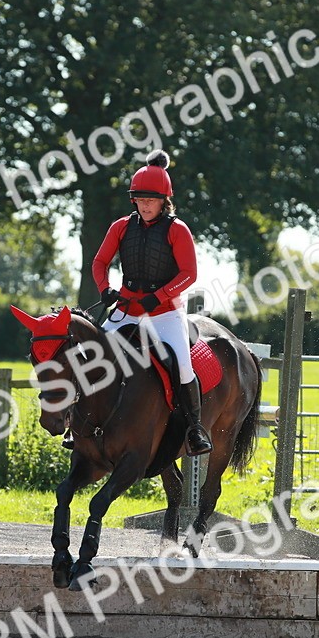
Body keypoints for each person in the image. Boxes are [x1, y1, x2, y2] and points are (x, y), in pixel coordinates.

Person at [88, 149, 212, 456]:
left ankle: (195, 429)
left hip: (166, 313)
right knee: (92, 359)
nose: (144, 205)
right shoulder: (120, 227)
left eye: (151, 199)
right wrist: (105, 289)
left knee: (183, 366)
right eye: (140, 199)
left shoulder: (177, 229)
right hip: (127, 310)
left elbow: (189, 274)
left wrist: (158, 297)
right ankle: (81, 421)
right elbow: (100, 262)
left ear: (163, 201)